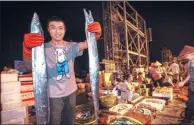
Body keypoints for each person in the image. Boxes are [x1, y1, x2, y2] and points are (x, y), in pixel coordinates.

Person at [23, 16, 102, 124]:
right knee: (54, 122)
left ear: (64, 30)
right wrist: (27, 49)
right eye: (53, 27)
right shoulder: (42, 48)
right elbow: (28, 65)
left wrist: (95, 36)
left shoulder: (71, 46)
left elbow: (87, 44)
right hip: (53, 95)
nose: (57, 31)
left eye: (60, 28)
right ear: (48, 29)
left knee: (69, 121)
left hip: (71, 93)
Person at [177, 45, 194, 123]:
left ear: (192, 53)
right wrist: (183, 82)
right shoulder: (190, 62)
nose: (186, 57)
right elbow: (190, 75)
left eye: (187, 55)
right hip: (191, 86)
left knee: (190, 104)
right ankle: (189, 117)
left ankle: (187, 120)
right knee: (190, 103)